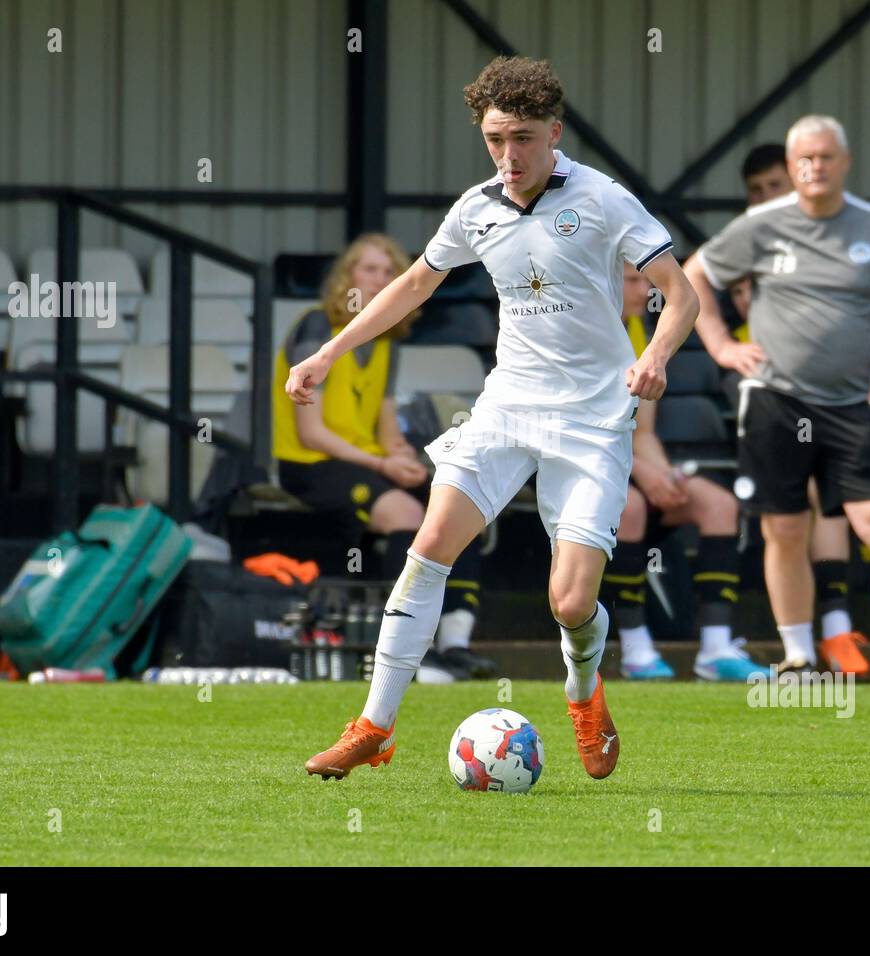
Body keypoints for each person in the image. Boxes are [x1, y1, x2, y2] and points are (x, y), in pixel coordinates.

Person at [290, 56, 699, 780]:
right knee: (429, 547)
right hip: (507, 406)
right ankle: (373, 727)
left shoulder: (604, 199)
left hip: (593, 419)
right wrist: (328, 351)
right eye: (494, 140)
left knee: (570, 603)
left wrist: (658, 353)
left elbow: (681, 291)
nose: (508, 157)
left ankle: (583, 688)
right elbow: (416, 283)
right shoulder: (476, 207)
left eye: (522, 140)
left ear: (554, 133)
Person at [683, 116, 870, 684]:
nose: (815, 167)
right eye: (804, 159)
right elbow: (693, 276)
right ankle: (798, 657)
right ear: (792, 169)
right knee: (784, 530)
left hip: (851, 408)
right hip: (774, 401)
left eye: (825, 157)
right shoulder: (760, 225)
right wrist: (720, 346)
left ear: (845, 161)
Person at [273, 233, 493, 683]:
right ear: (346, 277)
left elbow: (386, 424)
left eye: (388, 272)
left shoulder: (386, 341)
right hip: (310, 465)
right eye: (368, 269)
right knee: (406, 513)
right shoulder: (317, 327)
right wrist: (382, 466)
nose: (378, 280)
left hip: (365, 461)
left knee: (460, 505)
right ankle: (408, 653)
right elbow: (310, 434)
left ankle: (455, 642)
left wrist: (400, 455)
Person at [606, 261, 764, 681]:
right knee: (632, 507)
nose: (645, 292)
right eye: (633, 281)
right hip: (581, 469)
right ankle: (636, 649)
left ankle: (715, 648)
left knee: (719, 504)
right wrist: (644, 474)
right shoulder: (582, 335)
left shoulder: (644, 335)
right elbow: (574, 431)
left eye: (647, 281)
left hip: (630, 466)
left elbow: (644, 433)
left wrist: (665, 476)